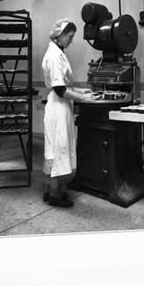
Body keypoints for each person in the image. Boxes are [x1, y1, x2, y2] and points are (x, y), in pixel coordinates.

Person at [41, 18, 94, 207]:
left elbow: (65, 85)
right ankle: (55, 195)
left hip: (61, 106)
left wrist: (81, 91)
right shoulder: (54, 56)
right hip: (58, 107)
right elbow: (60, 90)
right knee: (59, 150)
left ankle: (50, 191)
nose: (71, 40)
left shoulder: (58, 53)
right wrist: (84, 99)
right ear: (60, 35)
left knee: (56, 149)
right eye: (70, 36)